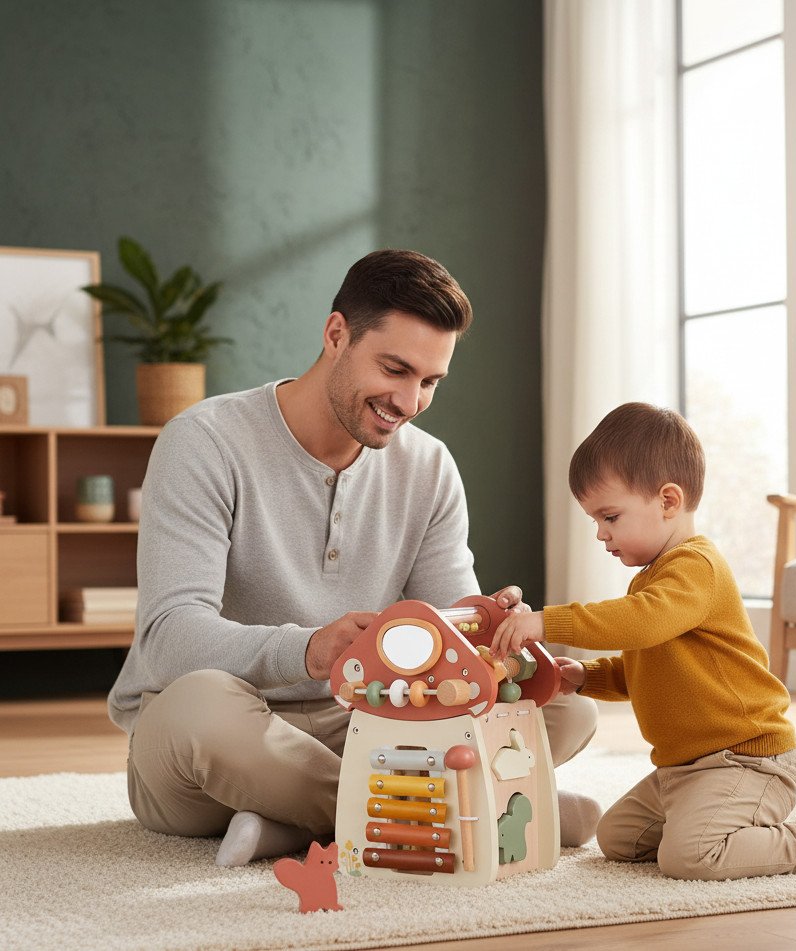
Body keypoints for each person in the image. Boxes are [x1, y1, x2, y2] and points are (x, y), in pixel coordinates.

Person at [107, 249, 600, 866]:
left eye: (430, 381)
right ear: (336, 334)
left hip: (370, 722)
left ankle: (297, 825)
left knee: (563, 704)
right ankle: (469, 807)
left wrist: (484, 633)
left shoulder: (428, 467)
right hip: (227, 736)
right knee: (199, 705)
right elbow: (169, 638)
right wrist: (310, 648)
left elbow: (443, 633)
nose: (411, 400)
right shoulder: (204, 442)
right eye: (395, 369)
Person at [490, 402, 796, 881]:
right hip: (683, 768)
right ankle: (705, 819)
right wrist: (587, 676)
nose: (599, 534)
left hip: (746, 760)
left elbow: (640, 624)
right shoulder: (651, 581)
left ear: (669, 501)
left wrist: (548, 623)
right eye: (595, 520)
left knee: (690, 858)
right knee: (617, 840)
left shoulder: (696, 568)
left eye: (610, 516)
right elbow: (646, 668)